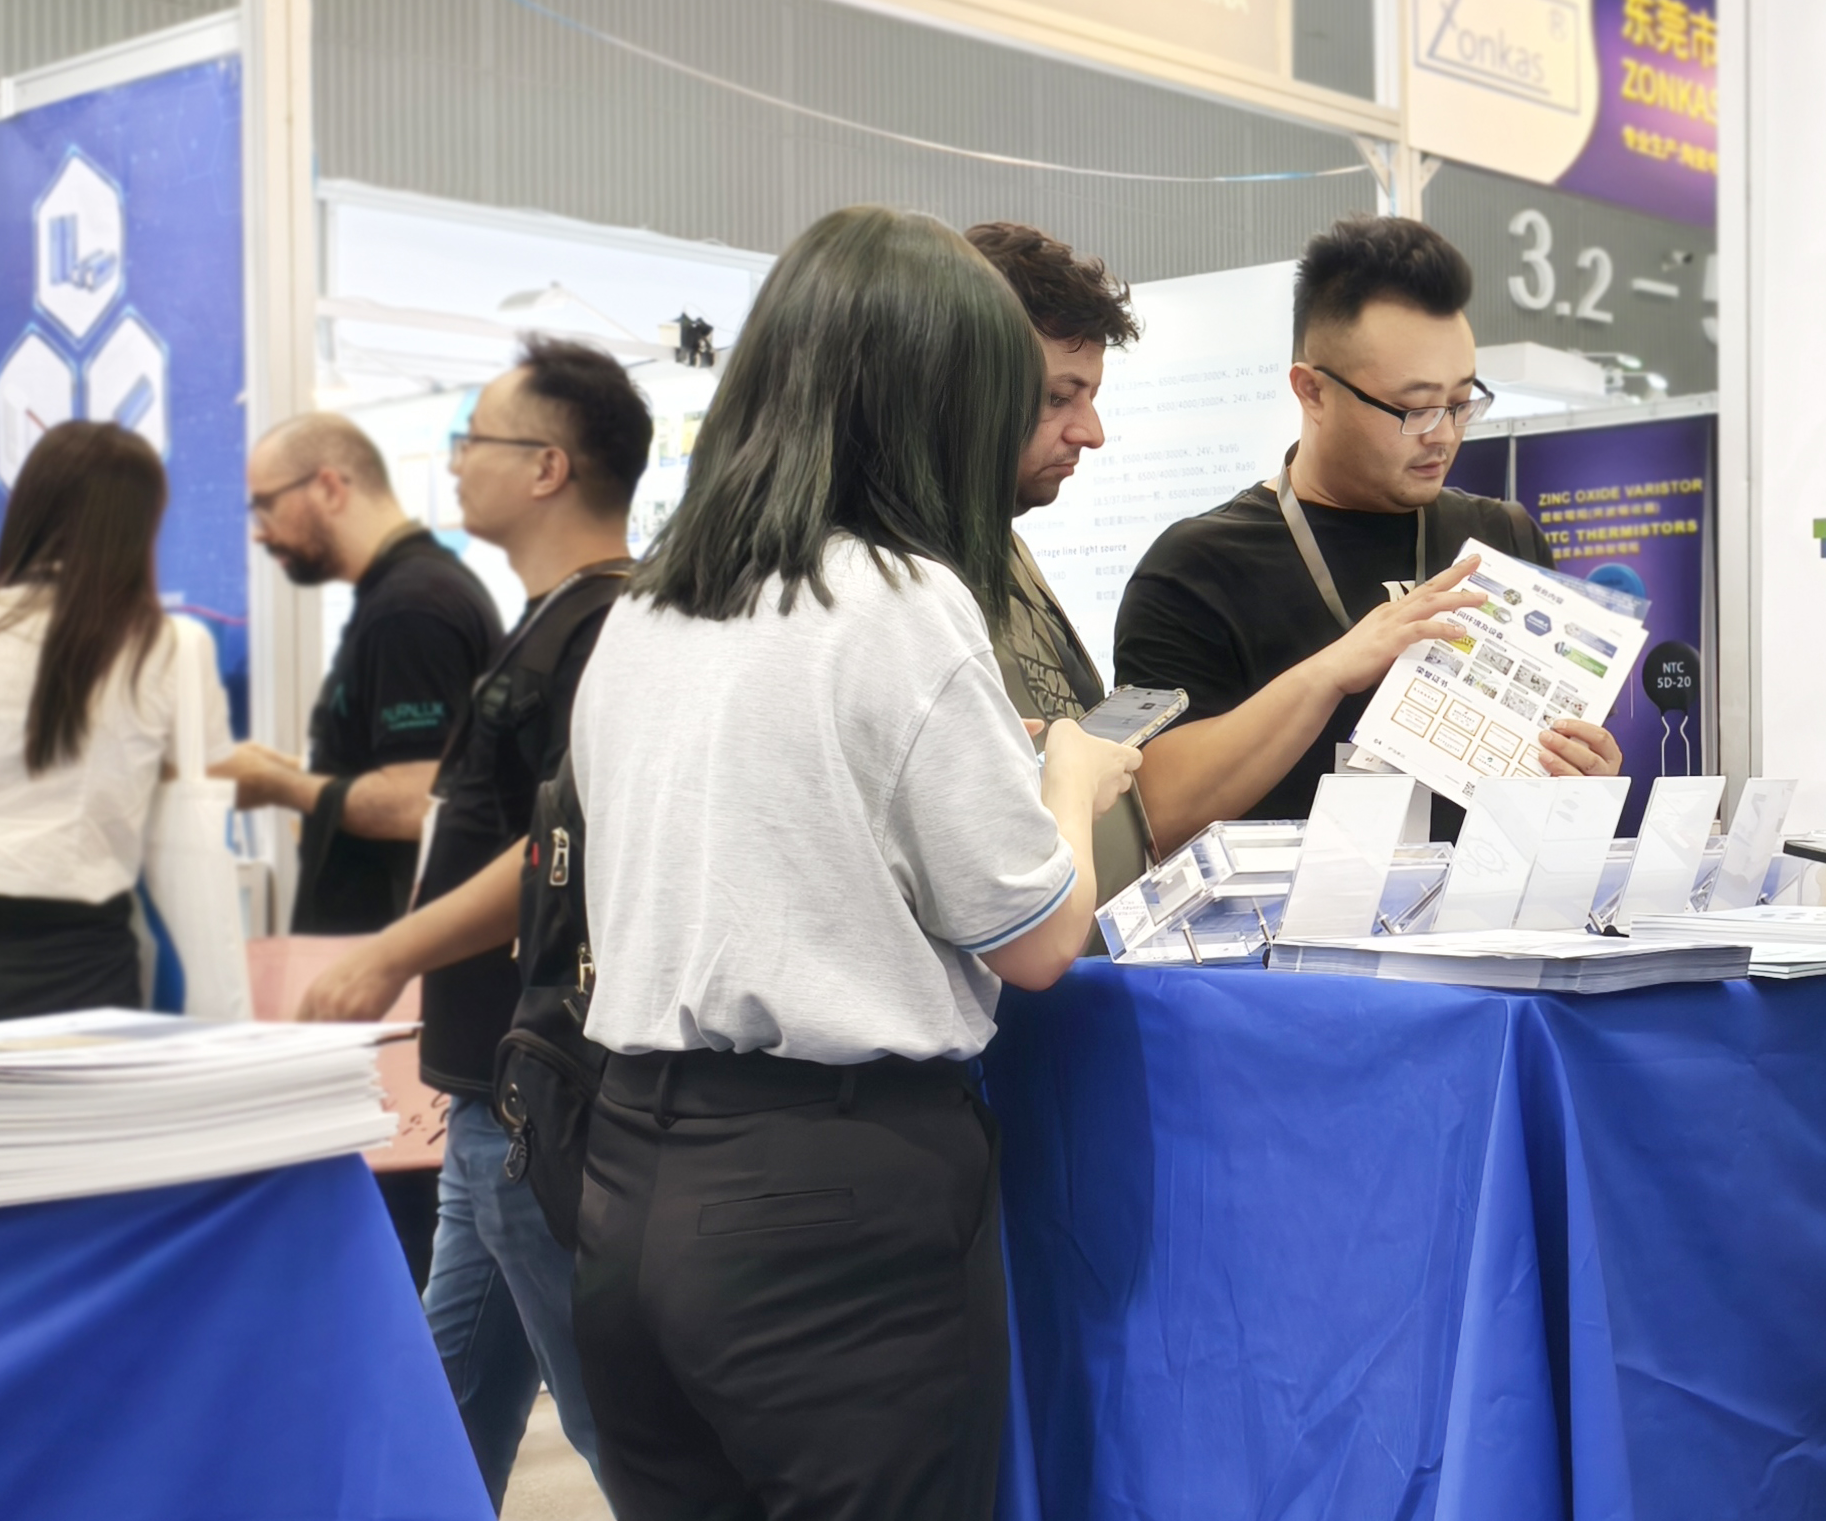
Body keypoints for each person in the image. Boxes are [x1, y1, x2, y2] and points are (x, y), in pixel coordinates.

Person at [568, 205, 1141, 1521]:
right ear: (934, 399)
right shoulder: (898, 601)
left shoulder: (648, 608)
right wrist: (1069, 781)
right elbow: (1037, 941)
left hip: (629, 1176)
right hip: (831, 1205)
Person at [289, 339, 650, 1508]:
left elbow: (558, 848)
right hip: (490, 1094)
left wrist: (391, 951)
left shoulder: (603, 631)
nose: (452, 465)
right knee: (444, 1406)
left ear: (547, 466)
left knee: (618, 1429)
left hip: (534, 1097)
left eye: (472, 440)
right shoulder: (549, 620)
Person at [1114, 215, 1622, 845]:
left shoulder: (1502, 539)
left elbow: (1555, 789)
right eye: (1414, 408)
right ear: (1312, 391)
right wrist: (1329, 673)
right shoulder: (1197, 567)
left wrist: (1585, 775)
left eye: (1462, 401)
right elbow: (1153, 813)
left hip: (1485, 903)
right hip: (1285, 910)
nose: (1444, 434)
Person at [0, 423, 233, 1020]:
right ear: (140, 526)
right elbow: (194, 845)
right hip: (82, 967)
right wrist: (226, 1020)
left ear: (29, 509)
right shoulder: (170, 645)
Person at [229, 412, 502, 933]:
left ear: (329, 488)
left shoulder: (410, 608)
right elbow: (409, 763)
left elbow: (415, 802)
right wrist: (298, 769)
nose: (260, 533)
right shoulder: (406, 593)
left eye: (265, 505)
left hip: (390, 956)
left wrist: (276, 784)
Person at [965, 220, 1154, 904]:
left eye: (1090, 397)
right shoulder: (907, 577)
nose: (1090, 433)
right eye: (1056, 397)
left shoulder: (1002, 543)